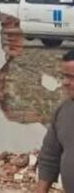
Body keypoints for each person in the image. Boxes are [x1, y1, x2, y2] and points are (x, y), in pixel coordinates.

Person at [36, 49, 74, 193]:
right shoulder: (64, 111)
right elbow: (50, 155)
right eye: (64, 76)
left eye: (72, 77)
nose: (65, 83)